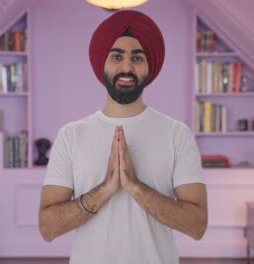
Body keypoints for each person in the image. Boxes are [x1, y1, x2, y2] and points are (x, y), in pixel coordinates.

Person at [39, 10, 207, 264]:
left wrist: (135, 187)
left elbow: (197, 226)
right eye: (116, 56)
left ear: (149, 65)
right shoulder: (71, 135)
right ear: (102, 64)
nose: (127, 67)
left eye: (137, 58)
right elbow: (47, 227)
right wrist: (105, 189)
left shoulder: (177, 134)